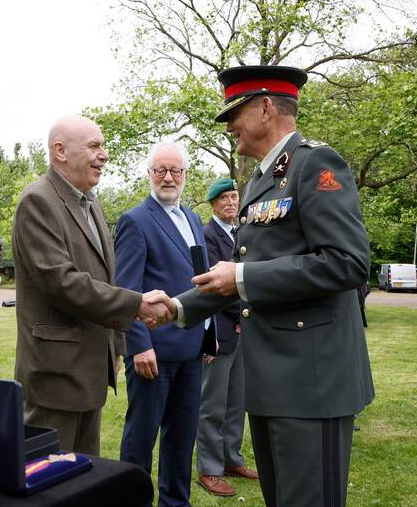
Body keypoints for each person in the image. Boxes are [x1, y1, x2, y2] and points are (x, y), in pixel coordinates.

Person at [156, 65, 374, 507]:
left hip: (314, 382)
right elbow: (245, 270)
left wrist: (241, 277)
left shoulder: (316, 164)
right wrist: (176, 308)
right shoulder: (262, 179)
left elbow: (347, 263)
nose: (230, 124)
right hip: (274, 379)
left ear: (267, 107)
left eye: (235, 111)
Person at [12, 115, 173, 455]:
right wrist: (136, 305)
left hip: (90, 370)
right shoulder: (38, 201)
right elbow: (62, 282)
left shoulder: (91, 202)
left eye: (104, 146)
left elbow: (104, 277)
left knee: (82, 478)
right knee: (46, 480)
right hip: (55, 375)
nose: (105, 155)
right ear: (60, 151)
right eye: (95, 146)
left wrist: (114, 345)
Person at [114, 141, 210, 507]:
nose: (168, 177)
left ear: (185, 175)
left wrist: (209, 336)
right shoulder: (135, 221)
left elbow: (201, 283)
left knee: (182, 440)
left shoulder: (193, 219)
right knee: (141, 438)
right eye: (160, 170)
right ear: (149, 174)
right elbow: (127, 289)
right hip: (152, 353)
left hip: (190, 350)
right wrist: (139, 345)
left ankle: (175, 503)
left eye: (175, 171)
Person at [195, 177, 258, 497]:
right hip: (219, 330)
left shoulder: (242, 234)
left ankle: (231, 458)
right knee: (212, 404)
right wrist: (249, 307)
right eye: (225, 199)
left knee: (237, 402)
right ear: (213, 204)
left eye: (235, 197)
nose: (231, 203)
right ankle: (209, 468)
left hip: (243, 330)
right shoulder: (207, 237)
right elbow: (212, 287)